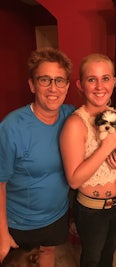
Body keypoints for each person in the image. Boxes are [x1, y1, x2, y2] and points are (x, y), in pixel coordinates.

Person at [0, 47, 75, 267]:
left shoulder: (71, 115)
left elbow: (101, 115)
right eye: (45, 80)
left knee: (48, 251)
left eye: (59, 80)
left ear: (67, 86)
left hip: (56, 214)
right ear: (32, 84)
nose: (53, 88)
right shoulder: (11, 127)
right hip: (20, 222)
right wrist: (2, 232)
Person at [60, 53, 116, 267]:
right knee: (92, 258)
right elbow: (73, 180)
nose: (100, 86)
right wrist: (105, 147)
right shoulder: (75, 125)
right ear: (80, 85)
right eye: (92, 79)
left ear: (114, 82)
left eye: (105, 78)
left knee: (108, 254)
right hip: (92, 211)